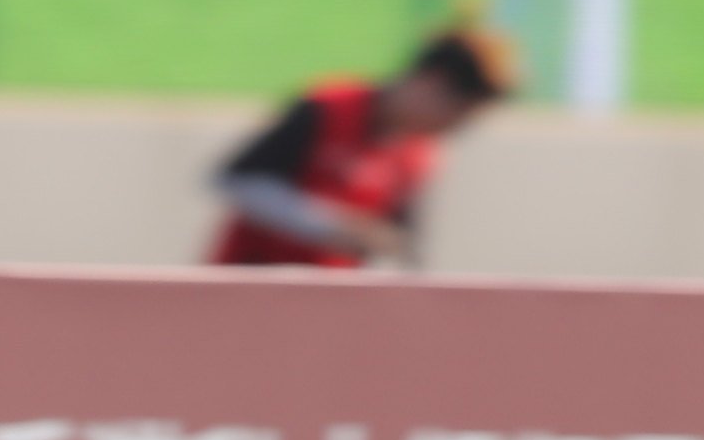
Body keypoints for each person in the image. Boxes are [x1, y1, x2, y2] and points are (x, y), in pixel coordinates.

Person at [207, 13, 520, 269]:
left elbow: (404, 246)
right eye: (457, 115)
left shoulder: (418, 155)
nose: (453, 130)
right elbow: (237, 179)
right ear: (431, 83)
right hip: (247, 288)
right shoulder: (329, 107)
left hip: (328, 311)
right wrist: (331, 227)